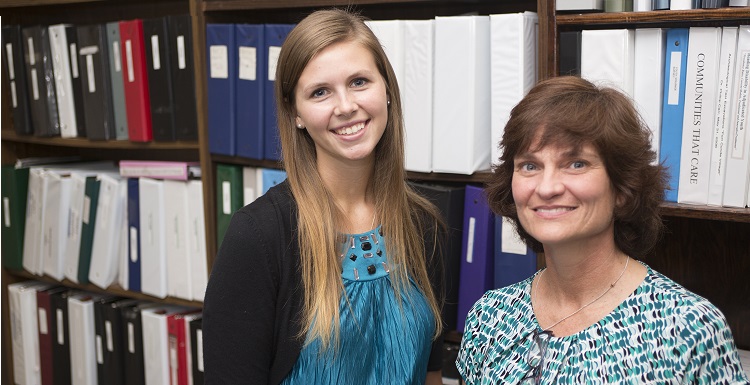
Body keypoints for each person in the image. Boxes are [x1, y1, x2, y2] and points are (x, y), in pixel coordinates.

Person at [202, 8, 446, 385]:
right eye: (320, 92)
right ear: (295, 113)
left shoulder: (423, 225)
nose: (346, 106)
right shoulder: (259, 237)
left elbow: (430, 372)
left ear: (387, 91)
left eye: (360, 81)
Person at [456, 76, 749, 384]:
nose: (547, 187)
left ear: (622, 187)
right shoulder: (490, 317)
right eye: (530, 165)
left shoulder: (687, 328)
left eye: (576, 164)